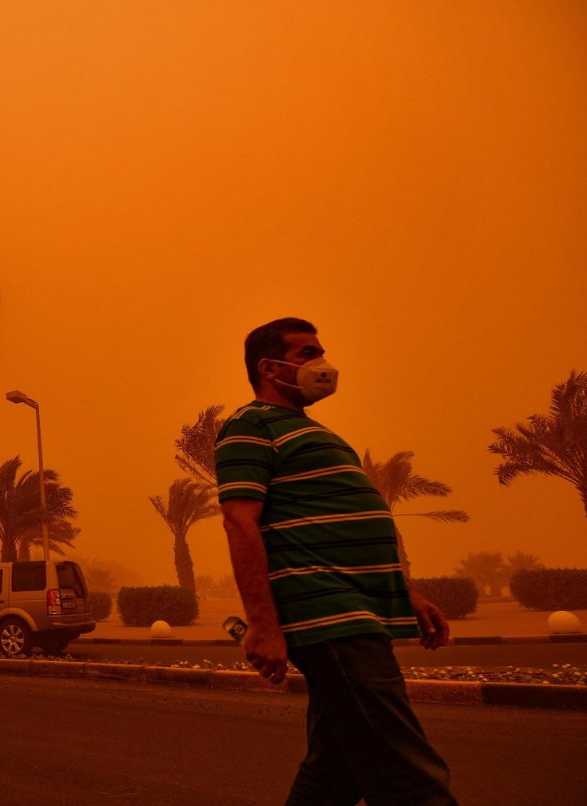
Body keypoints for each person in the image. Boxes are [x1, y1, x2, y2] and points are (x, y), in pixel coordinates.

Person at [215, 317, 457, 806]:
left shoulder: (314, 433)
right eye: (308, 354)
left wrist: (406, 594)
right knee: (407, 770)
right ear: (269, 367)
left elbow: (348, 520)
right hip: (327, 614)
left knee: (336, 768)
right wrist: (263, 626)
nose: (322, 364)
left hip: (354, 611)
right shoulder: (250, 426)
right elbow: (240, 523)